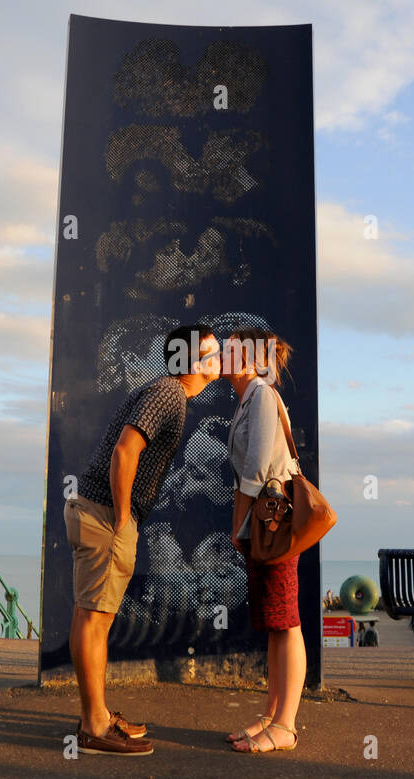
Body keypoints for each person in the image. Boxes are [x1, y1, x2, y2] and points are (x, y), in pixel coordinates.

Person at [66, 323, 223, 755]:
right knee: (95, 620)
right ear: (191, 360)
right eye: (212, 350)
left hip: (95, 511)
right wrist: (122, 517)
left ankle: (94, 715)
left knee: (90, 617)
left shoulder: (169, 393)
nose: (220, 357)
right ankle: (94, 727)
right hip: (105, 516)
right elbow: (124, 451)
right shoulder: (169, 393)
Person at [222, 328, 304, 752]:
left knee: (287, 620)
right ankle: (272, 715)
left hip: (274, 517)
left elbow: (255, 467)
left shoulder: (263, 395)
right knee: (274, 620)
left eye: (230, 347)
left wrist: (239, 523)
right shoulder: (250, 399)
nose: (222, 352)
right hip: (267, 517)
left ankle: (286, 725)